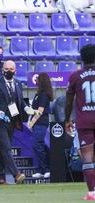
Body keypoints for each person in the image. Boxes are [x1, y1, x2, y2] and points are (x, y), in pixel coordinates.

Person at [65, 44, 95, 200]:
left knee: (88, 157)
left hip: (85, 120)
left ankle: (92, 192)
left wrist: (67, 120)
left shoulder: (76, 76)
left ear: (82, 59)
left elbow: (69, 101)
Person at [0, 61, 29, 185]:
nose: (8, 71)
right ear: (3, 70)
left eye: (11, 69)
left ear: (15, 70)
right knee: (6, 148)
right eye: (6, 69)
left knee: (4, 148)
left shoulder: (18, 83)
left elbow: (20, 100)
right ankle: (16, 174)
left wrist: (26, 108)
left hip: (12, 120)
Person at [27, 73, 53, 179]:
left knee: (37, 145)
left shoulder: (43, 94)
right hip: (37, 123)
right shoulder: (38, 94)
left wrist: (31, 123)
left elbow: (40, 111)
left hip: (41, 122)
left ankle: (46, 169)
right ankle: (41, 169)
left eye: (37, 79)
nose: (36, 80)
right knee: (38, 145)